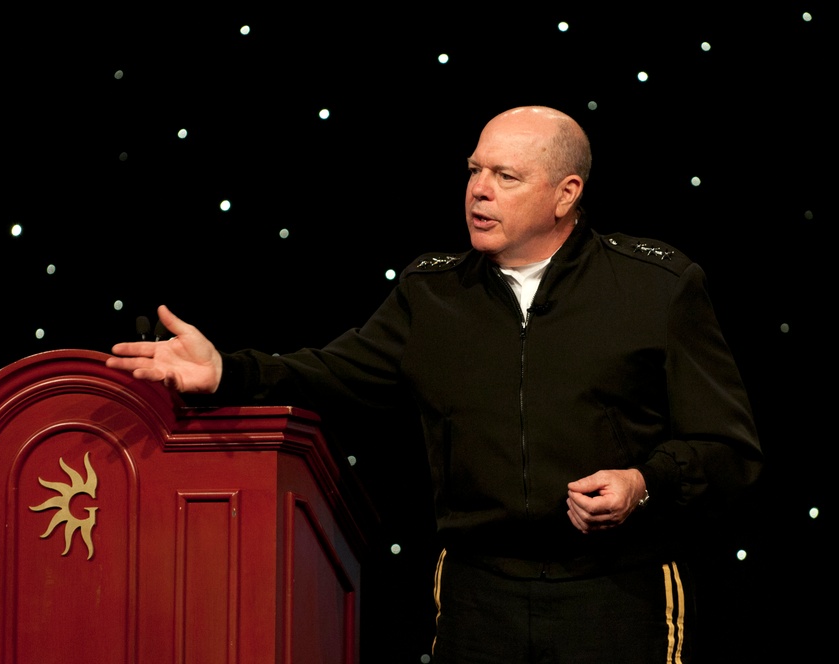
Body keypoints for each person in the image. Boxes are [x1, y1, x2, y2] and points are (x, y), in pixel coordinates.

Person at [107, 106, 762, 662]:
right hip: (479, 593)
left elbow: (727, 449)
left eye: (505, 177)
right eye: (475, 171)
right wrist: (227, 370)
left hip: (620, 590)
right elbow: (333, 372)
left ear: (566, 194)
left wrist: (642, 484)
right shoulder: (432, 292)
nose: (479, 190)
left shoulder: (657, 287)